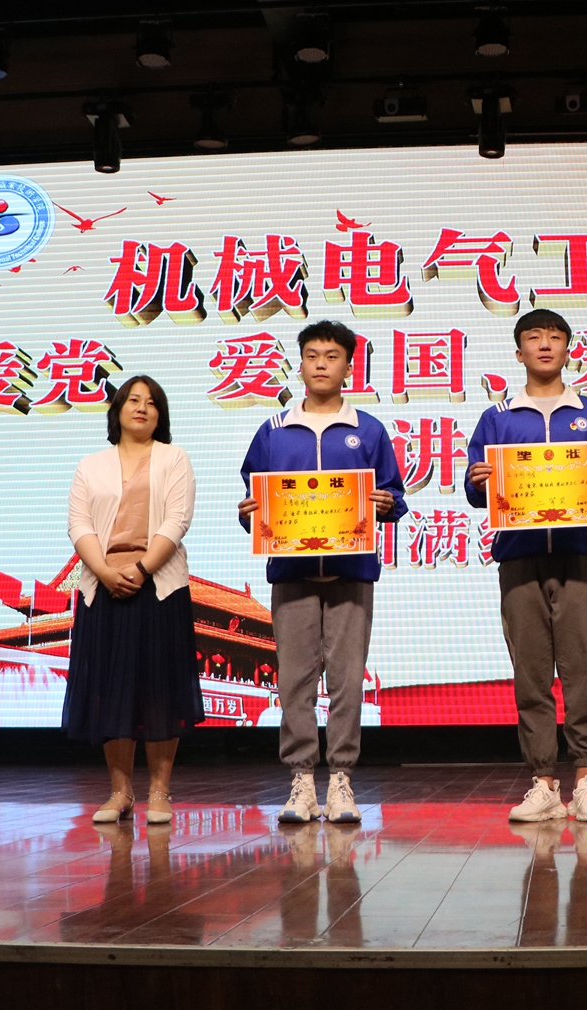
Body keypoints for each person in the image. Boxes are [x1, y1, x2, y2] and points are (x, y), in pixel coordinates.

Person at [466, 308, 587, 823]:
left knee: (582, 669)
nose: (544, 344)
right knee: (531, 673)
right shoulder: (497, 417)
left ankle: (585, 780)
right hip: (518, 557)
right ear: (519, 352)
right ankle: (542, 782)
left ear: (567, 348)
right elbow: (475, 490)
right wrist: (477, 479)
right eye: (534, 337)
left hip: (579, 555)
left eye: (555, 337)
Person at [239, 321, 408, 824]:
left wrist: (385, 503)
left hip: (351, 574)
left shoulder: (368, 430)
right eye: (312, 355)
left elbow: (394, 495)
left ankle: (340, 780)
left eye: (331, 356)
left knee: (347, 681)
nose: (320, 364)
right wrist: (250, 513)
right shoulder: (273, 431)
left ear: (348, 367)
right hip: (291, 575)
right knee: (294, 681)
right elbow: (253, 499)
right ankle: (300, 782)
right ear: (300, 365)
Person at [63, 375, 201, 825]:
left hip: (158, 586)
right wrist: (105, 573)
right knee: (110, 692)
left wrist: (141, 570)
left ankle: (160, 791)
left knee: (160, 690)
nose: (142, 407)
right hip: (103, 588)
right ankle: (120, 792)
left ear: (161, 415)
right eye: (133, 400)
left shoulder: (174, 458)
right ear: (117, 410)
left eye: (152, 402)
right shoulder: (91, 465)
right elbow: (79, 525)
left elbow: (177, 520)